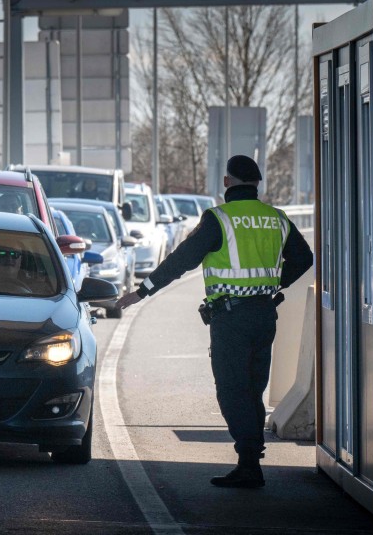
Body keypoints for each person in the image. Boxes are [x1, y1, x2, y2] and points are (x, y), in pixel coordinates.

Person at [114, 155, 313, 489]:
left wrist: (142, 291)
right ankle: (250, 458)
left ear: (227, 182)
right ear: (257, 184)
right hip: (265, 314)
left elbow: (181, 260)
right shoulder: (276, 218)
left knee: (232, 389)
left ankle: (249, 462)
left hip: (231, 317)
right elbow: (304, 257)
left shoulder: (218, 219)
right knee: (253, 387)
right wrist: (275, 284)